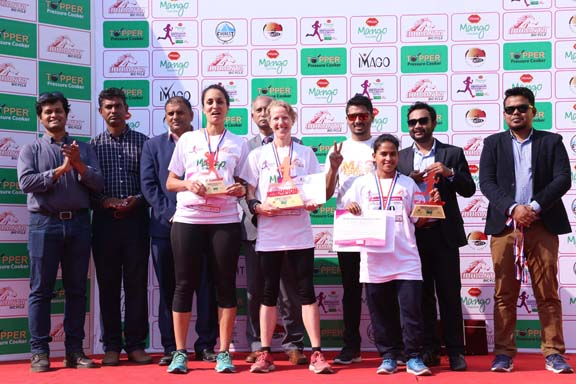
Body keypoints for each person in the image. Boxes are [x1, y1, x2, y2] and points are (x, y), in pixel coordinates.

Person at [479, 86, 574, 374]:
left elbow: (563, 179)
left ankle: (554, 353)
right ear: (505, 114)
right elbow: (487, 183)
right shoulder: (492, 143)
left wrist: (533, 207)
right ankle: (504, 354)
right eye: (510, 109)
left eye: (522, 108)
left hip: (542, 224)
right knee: (504, 294)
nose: (516, 113)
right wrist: (513, 208)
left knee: (547, 292)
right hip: (505, 227)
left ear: (533, 111)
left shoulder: (551, 142)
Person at [241, 100, 333, 374]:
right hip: (269, 234)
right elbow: (249, 192)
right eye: (275, 119)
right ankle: (265, 354)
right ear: (268, 122)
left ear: (292, 120)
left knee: (305, 292)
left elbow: (317, 193)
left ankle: (316, 352)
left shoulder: (305, 153)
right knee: (268, 294)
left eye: (285, 118)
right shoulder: (257, 155)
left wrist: (313, 202)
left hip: (299, 233)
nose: (280, 123)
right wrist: (258, 207)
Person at [17, 92, 103, 372]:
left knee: (77, 290)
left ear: (67, 114)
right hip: (44, 223)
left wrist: (77, 164)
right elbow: (26, 183)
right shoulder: (31, 149)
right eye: (47, 112)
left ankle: (74, 351)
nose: (54, 115)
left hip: (79, 223)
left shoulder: (84, 148)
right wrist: (60, 170)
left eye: (58, 110)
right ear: (40, 118)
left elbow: (98, 183)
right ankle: (39, 352)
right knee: (40, 290)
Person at [165, 84, 248, 374]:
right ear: (203, 108)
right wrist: (189, 184)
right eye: (210, 102)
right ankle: (179, 352)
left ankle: (223, 352)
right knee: (184, 285)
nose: (215, 107)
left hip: (224, 219)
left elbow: (246, 184)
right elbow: (171, 181)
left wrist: (240, 189)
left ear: (228, 108)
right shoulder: (187, 140)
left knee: (225, 286)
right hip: (188, 219)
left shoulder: (239, 143)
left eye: (220, 102)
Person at [342, 133, 437, 376]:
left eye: (393, 154)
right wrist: (350, 208)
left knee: (411, 313)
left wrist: (433, 208)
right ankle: (388, 356)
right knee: (381, 314)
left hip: (406, 259)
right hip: (374, 261)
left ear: (398, 156)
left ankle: (414, 357)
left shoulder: (407, 184)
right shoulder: (361, 184)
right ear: (374, 157)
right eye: (383, 154)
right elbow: (346, 213)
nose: (388, 158)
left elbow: (419, 220)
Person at [140, 96, 218, 366]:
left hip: (203, 226)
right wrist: (172, 214)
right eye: (171, 113)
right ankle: (172, 347)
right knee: (170, 289)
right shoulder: (152, 146)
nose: (176, 117)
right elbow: (149, 186)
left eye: (181, 113)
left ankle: (206, 345)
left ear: (191, 115)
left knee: (206, 286)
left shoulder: (206, 143)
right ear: (165, 116)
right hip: (165, 228)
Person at [397, 102, 475, 371]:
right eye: (412, 123)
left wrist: (450, 173)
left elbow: (469, 189)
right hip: (413, 235)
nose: (417, 126)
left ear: (433, 123)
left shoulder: (452, 154)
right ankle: (429, 350)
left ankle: (455, 351)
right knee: (421, 297)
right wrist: (407, 178)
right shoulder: (401, 157)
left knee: (449, 294)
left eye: (423, 121)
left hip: (444, 235)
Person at [241, 95, 307, 366]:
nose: (266, 116)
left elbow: (307, 187)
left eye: (269, 110)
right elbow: (246, 188)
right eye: (259, 111)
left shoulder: (299, 147)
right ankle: (258, 345)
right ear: (257, 116)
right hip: (257, 229)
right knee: (257, 291)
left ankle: (294, 344)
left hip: (290, 229)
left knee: (290, 291)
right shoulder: (248, 149)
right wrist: (257, 208)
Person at [91, 87, 151, 366]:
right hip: (104, 225)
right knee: (109, 286)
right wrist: (106, 202)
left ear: (127, 110)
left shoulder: (144, 143)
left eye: (117, 106)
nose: (113, 110)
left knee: (137, 285)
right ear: (101, 112)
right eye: (108, 107)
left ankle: (136, 344)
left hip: (136, 222)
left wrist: (134, 201)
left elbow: (150, 185)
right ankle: (112, 345)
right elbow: (87, 188)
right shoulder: (92, 147)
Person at [324, 94, 376, 365]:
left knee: (382, 289)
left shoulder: (382, 147)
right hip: (348, 227)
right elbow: (326, 192)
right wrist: (333, 167)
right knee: (351, 291)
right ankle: (351, 346)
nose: (358, 120)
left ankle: (390, 347)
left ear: (372, 116)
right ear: (347, 119)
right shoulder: (339, 148)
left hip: (378, 226)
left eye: (363, 115)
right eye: (353, 116)